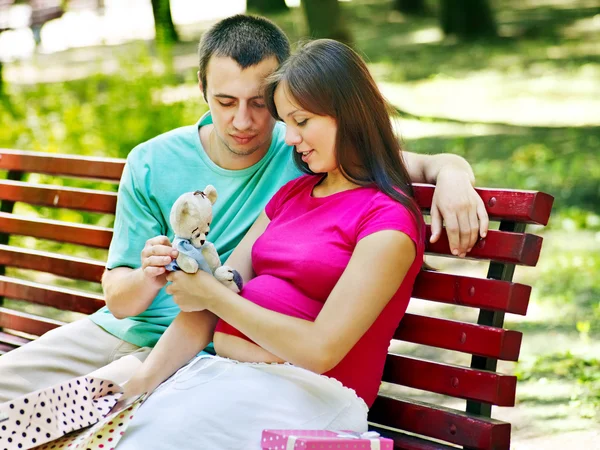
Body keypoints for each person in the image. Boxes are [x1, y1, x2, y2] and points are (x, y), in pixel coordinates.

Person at [0, 15, 487, 404]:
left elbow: (386, 158)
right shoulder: (152, 160)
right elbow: (121, 301)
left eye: (260, 103)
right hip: (134, 332)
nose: (243, 121)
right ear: (202, 92)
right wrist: (152, 277)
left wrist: (453, 170)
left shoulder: (299, 150)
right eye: (225, 101)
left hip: (219, 354)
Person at [117, 37, 426, 449]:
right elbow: (214, 301)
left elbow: (320, 350)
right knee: (121, 430)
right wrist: (142, 380)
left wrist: (210, 294)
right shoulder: (291, 196)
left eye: (301, 121)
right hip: (228, 378)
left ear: (348, 114)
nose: (289, 137)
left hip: (308, 397)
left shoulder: (387, 219)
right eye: (287, 122)